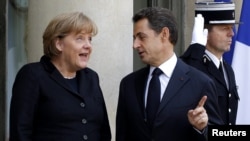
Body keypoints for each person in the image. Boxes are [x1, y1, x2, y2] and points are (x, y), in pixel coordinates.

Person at [116, 7, 223, 141]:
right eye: (134, 38)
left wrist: (201, 128)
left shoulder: (201, 83)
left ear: (164, 34)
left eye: (141, 37)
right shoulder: (128, 84)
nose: (135, 45)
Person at [9, 12, 111, 141]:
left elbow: (103, 132)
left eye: (90, 39)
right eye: (80, 38)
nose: (88, 45)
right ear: (59, 44)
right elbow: (20, 132)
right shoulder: (33, 75)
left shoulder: (91, 77)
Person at [180, 2, 239, 125]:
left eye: (231, 27)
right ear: (205, 32)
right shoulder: (192, 65)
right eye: (224, 28)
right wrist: (195, 49)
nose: (232, 33)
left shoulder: (228, 69)